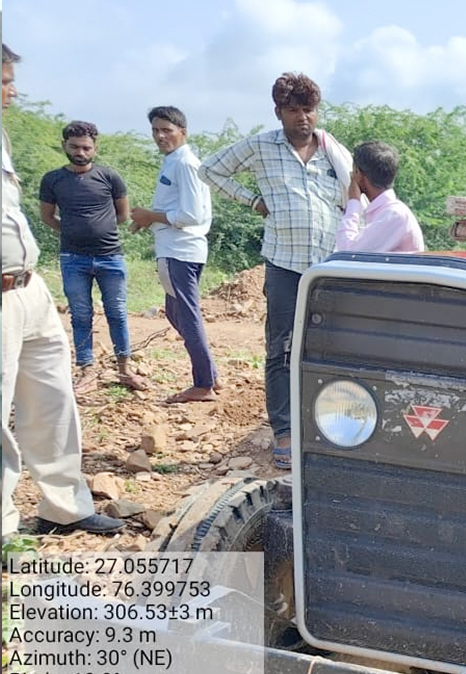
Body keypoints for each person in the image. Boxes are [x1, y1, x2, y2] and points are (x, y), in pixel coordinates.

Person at [2, 44, 124, 540]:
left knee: (54, 401)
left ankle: (64, 507)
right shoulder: (55, 177)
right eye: (5, 80)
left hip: (26, 288)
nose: (12, 91)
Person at [200, 72, 351, 470]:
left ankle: (328, 425)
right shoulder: (262, 146)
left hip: (329, 267)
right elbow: (210, 170)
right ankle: (284, 431)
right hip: (284, 263)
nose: (303, 118)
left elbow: (354, 196)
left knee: (330, 346)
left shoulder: (332, 150)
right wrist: (252, 202)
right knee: (281, 348)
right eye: (294, 110)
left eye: (309, 109)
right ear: (278, 112)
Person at [39, 120, 149, 393]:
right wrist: (72, 231)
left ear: (95, 149)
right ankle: (87, 370)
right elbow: (47, 216)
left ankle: (125, 369)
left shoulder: (109, 177)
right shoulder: (52, 179)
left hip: (110, 256)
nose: (80, 152)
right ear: (64, 145)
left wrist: (98, 230)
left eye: (86, 147)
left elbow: (122, 215)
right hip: (73, 258)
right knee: (80, 314)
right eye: (75, 146)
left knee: (117, 313)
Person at [129, 106, 219, 403]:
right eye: (155, 130)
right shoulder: (175, 162)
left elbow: (191, 214)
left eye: (166, 129)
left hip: (180, 250)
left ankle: (203, 383)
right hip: (177, 249)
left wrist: (151, 216)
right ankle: (210, 376)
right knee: (175, 311)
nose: (159, 136)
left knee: (186, 314)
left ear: (183, 131)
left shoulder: (184, 164)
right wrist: (148, 219)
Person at [335, 141, 424, 254]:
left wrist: (353, 202)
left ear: (359, 174)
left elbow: (348, 254)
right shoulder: (387, 212)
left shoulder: (394, 215)